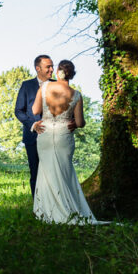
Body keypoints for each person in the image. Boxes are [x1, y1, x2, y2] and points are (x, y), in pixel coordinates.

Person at [31, 59, 101, 224]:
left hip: (45, 133)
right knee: (64, 173)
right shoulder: (76, 95)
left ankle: (47, 212)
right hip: (64, 136)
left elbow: (35, 110)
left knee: (46, 172)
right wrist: (74, 123)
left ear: (57, 72)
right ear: (72, 74)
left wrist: (37, 122)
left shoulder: (45, 87)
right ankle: (69, 210)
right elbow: (81, 122)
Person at [14, 55, 56, 197]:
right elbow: (18, 110)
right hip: (32, 137)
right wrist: (33, 125)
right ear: (38, 68)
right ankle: (37, 206)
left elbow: (67, 107)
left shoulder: (57, 85)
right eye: (48, 67)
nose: (51, 69)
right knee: (35, 171)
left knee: (53, 172)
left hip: (54, 136)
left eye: (52, 66)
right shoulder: (27, 86)